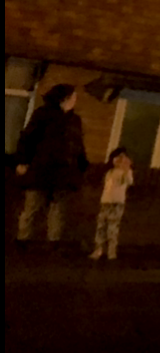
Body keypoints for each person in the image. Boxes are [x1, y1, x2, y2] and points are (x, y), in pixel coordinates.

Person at [15, 84, 90, 246]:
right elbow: (28, 138)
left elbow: (77, 144)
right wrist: (23, 160)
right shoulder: (43, 115)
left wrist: (82, 165)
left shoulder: (74, 120)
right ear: (64, 98)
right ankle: (23, 240)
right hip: (41, 168)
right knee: (33, 207)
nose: (75, 100)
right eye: (73, 96)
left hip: (63, 172)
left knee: (58, 209)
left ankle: (53, 243)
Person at [90, 147, 135, 261]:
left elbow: (129, 181)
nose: (119, 160)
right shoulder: (109, 172)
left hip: (117, 203)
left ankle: (111, 251)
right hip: (106, 202)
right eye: (117, 157)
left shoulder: (126, 172)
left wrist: (126, 169)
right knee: (101, 226)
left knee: (113, 227)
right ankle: (99, 249)